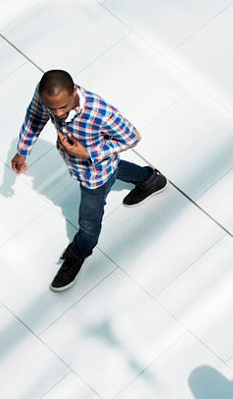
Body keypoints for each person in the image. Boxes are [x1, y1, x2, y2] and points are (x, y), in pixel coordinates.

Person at [10, 69, 167, 291]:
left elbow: (133, 137)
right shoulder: (46, 93)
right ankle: (151, 180)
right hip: (85, 165)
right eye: (52, 108)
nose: (58, 113)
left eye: (63, 107)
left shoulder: (100, 113)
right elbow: (35, 117)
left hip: (96, 176)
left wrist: (90, 154)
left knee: (88, 223)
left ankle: (79, 252)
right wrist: (23, 151)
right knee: (116, 169)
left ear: (74, 91)